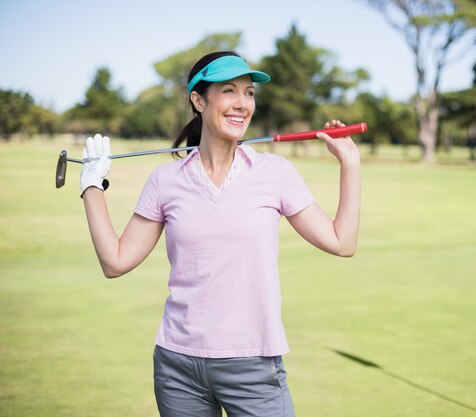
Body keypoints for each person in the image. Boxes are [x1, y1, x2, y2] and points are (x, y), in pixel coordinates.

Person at [80, 51, 361, 417]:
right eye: (229, 91)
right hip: (178, 365)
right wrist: (91, 186)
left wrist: (350, 163)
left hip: (254, 364)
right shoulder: (166, 180)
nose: (242, 104)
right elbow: (115, 262)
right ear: (198, 100)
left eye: (249, 93)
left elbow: (343, 242)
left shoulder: (275, 173)